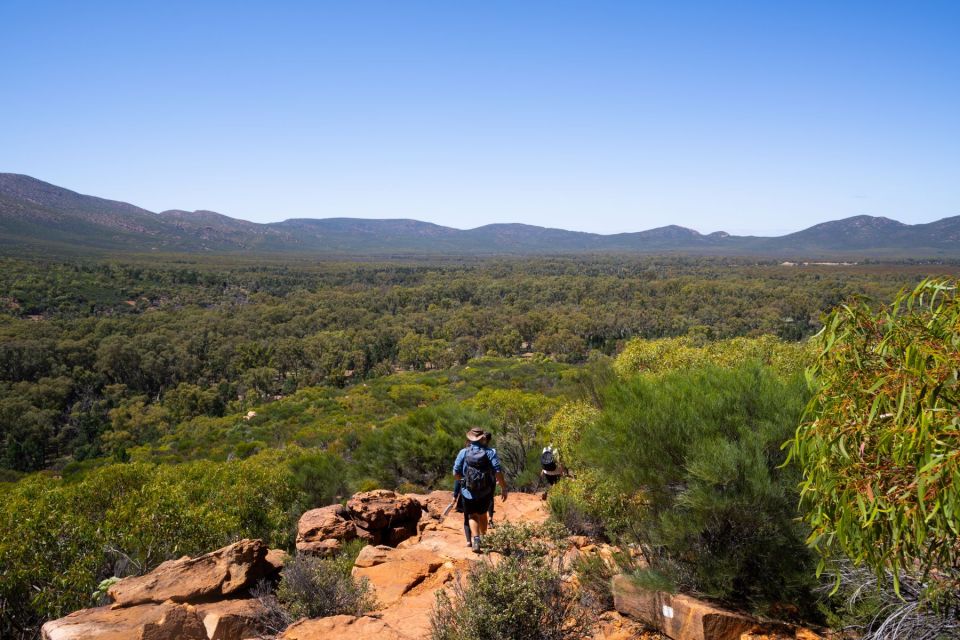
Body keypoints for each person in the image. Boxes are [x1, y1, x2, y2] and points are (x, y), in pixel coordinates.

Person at [453, 427, 508, 553]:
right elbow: (497, 471)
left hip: (468, 492)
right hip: (485, 491)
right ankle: (483, 536)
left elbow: (455, 472)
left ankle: (476, 539)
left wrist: (463, 481)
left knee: (472, 515)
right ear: (482, 437)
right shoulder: (490, 452)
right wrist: (504, 487)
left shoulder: (463, 452)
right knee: (483, 514)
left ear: (470, 438)